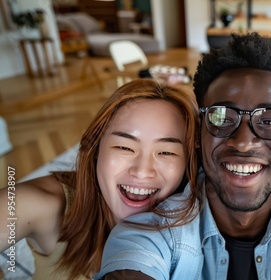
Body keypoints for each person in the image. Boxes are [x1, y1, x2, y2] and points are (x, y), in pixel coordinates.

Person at [97, 33, 271, 279]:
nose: (243, 142)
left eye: (269, 121)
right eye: (221, 117)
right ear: (198, 134)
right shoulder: (153, 229)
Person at [0, 79, 200, 279]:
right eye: (124, 147)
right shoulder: (41, 203)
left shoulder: (203, 224)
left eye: (166, 152)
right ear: (96, 148)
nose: (141, 171)